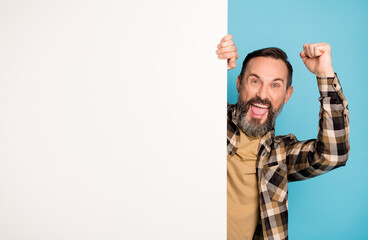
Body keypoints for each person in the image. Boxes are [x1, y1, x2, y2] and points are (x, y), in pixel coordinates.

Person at [216, 34, 350, 240]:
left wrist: (325, 76)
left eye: (275, 85)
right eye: (254, 81)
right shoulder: (208, 120)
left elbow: (333, 154)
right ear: (239, 83)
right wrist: (210, 68)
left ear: (287, 95)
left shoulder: (280, 155)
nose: (262, 94)